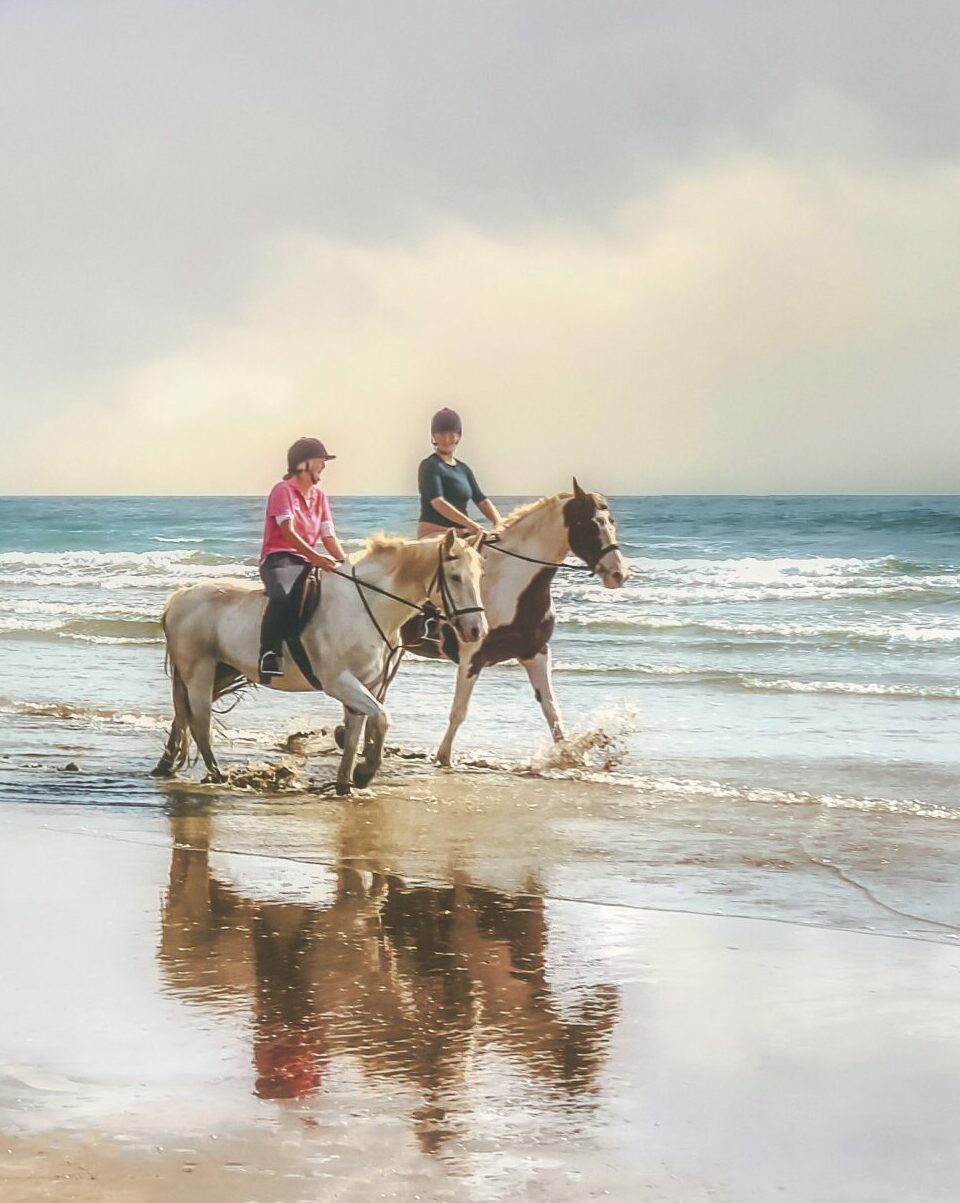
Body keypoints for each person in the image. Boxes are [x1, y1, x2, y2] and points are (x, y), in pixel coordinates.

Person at [258, 436, 345, 680]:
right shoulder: (282, 491)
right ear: (304, 464)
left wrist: (345, 563)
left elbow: (328, 536)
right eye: (321, 461)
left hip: (306, 561)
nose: (324, 466)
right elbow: (288, 531)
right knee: (283, 594)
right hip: (280, 558)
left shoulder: (320, 497)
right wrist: (316, 557)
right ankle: (269, 653)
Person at [417, 408, 502, 537]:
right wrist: (471, 525)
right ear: (434, 436)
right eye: (441, 434)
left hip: (463, 533)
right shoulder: (430, 466)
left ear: (458, 436)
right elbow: (438, 502)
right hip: (436, 534)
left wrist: (498, 523)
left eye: (451, 434)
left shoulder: (464, 469)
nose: (446, 439)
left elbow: (482, 501)